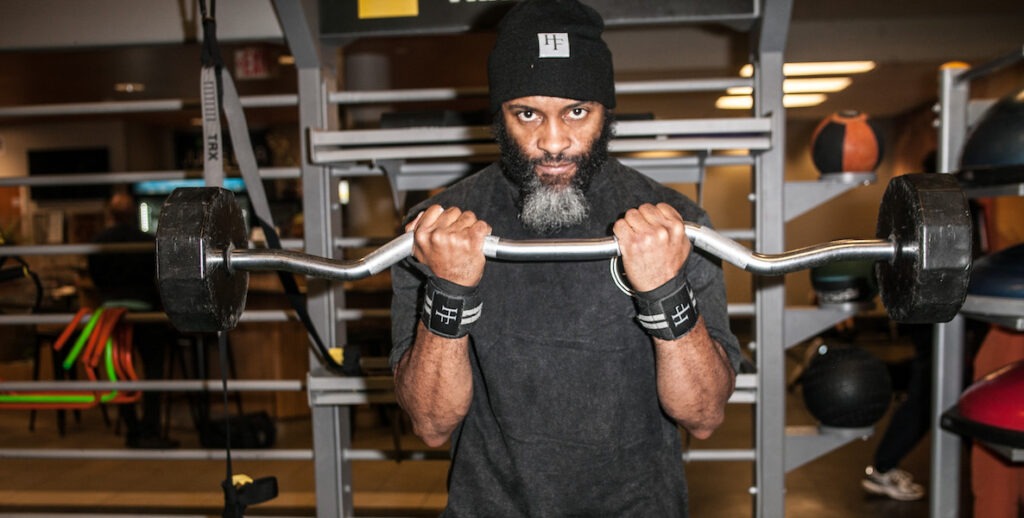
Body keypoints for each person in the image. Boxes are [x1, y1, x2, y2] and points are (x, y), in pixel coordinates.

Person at [388, 1, 741, 515]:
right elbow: (432, 425)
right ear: (499, 116)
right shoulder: (436, 230)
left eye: (577, 111)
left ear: (606, 112)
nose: (553, 142)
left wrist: (665, 292)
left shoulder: (677, 224)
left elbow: (704, 415)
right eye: (527, 114)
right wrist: (448, 291)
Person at [88, 191, 178, 449]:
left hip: (113, 314)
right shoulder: (147, 242)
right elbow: (158, 278)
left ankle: (132, 428)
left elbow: (96, 280)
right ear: (133, 212)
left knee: (118, 371)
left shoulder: (99, 243)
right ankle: (151, 429)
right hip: (145, 313)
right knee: (153, 368)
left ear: (110, 213)